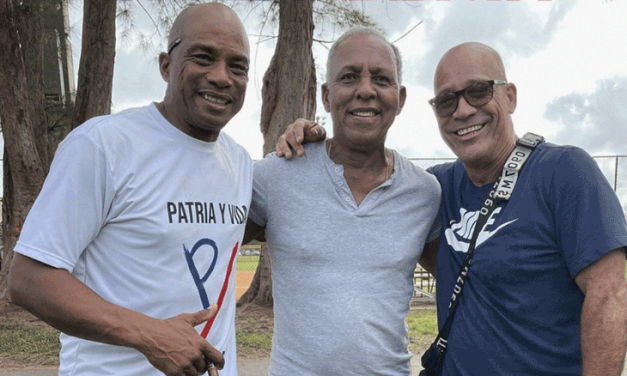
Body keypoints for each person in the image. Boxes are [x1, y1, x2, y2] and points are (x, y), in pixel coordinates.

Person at [280, 42, 627, 375]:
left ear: (510, 96)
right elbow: (367, 178)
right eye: (446, 100)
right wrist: (313, 143)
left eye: (478, 91)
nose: (462, 111)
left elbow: (609, 295)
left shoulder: (563, 171)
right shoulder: (433, 189)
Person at [8, 4, 253, 375]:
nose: (221, 77)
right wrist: (151, 335)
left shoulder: (240, 163)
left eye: (238, 66)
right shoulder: (103, 146)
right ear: (166, 65)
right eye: (203, 57)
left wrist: (306, 135)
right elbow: (29, 279)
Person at [243, 27, 441, 375]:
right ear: (326, 96)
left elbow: (472, 285)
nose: (365, 90)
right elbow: (201, 241)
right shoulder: (278, 175)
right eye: (349, 77)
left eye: (381, 79)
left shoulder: (424, 193)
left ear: (401, 96)